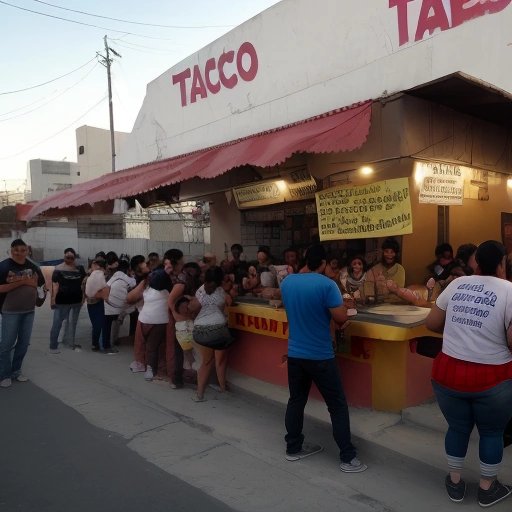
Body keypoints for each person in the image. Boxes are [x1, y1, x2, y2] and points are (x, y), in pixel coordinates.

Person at [425, 240, 512, 507]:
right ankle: (487, 488)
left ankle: (454, 483)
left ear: (475, 263)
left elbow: (432, 323)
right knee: (492, 432)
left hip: (447, 373)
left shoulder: (456, 284)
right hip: (492, 378)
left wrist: (460, 330)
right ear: (501, 264)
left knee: (458, 427)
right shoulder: (509, 291)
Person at [280, 244, 367, 472]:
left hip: (295, 353)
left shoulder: (288, 281)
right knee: (337, 406)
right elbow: (339, 318)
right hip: (320, 354)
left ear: (307, 260)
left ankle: (293, 448)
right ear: (324, 264)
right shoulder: (327, 284)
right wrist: (347, 308)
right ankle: (348, 458)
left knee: (296, 400)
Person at [0, 239, 46, 388]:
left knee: (24, 343)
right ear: (11, 250)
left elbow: (41, 286)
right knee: (7, 343)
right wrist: (23, 282)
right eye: (16, 250)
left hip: (29, 311)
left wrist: (41, 298)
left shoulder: (33, 267)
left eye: (23, 250)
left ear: (27, 251)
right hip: (10, 311)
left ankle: (16, 370)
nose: (19, 253)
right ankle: (4, 374)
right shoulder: (4, 266)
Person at [190, 266, 233, 402]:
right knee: (221, 360)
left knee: (206, 362)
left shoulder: (200, 290)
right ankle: (222, 388)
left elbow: (193, 307)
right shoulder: (222, 292)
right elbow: (229, 304)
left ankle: (199, 394)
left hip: (201, 330)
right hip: (218, 331)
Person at [49, 248, 86, 352]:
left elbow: (84, 284)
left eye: (71, 257)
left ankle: (70, 343)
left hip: (76, 301)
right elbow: (54, 285)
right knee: (57, 322)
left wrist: (83, 297)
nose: (69, 259)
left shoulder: (80, 268)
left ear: (74, 258)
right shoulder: (58, 268)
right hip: (61, 301)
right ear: (64, 256)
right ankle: (53, 345)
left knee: (72, 323)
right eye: (67, 257)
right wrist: (52, 300)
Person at [103, 259, 136, 354]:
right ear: (127, 269)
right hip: (117, 306)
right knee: (113, 324)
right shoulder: (125, 276)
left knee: (107, 326)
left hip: (108, 304)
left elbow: (107, 286)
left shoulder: (115, 275)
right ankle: (109, 345)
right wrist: (132, 275)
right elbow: (134, 284)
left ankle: (107, 344)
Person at [365, 238, 405, 303]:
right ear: (383, 252)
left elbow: (399, 293)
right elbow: (369, 293)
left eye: (392, 252)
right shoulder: (374, 269)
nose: (389, 255)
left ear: (396, 254)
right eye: (386, 251)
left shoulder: (400, 269)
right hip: (376, 305)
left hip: (395, 305)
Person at [84, 257, 107, 351]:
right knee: (96, 324)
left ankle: (95, 343)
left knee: (97, 324)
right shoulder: (90, 275)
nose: (93, 266)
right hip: (92, 302)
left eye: (95, 264)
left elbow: (103, 286)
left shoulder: (101, 274)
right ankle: (95, 343)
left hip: (98, 302)